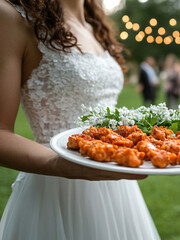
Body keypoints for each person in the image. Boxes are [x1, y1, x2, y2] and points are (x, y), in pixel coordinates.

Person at [0, 0, 159, 239]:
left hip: (117, 182)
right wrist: (58, 163)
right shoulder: (12, 16)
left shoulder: (95, 23)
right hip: (54, 188)